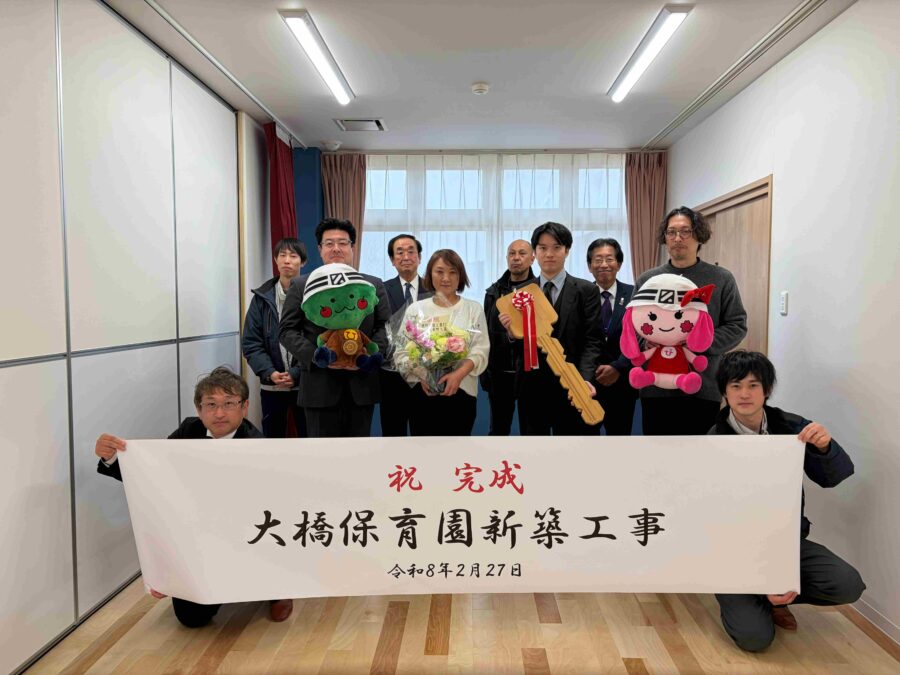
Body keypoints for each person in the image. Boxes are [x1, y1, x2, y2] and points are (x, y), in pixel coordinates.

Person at [94, 367, 294, 626]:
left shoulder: (259, 446)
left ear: (244, 407)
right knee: (191, 618)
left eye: (229, 403)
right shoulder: (188, 430)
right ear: (199, 409)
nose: (219, 413)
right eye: (210, 404)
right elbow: (152, 477)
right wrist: (111, 457)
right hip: (201, 537)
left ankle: (278, 589)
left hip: (247, 533)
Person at [709, 351, 865, 652]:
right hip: (733, 551)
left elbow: (834, 477)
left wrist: (825, 447)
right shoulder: (712, 439)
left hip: (785, 541)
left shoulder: (793, 427)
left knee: (847, 583)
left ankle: (776, 596)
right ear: (725, 391)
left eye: (753, 385)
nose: (744, 394)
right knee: (754, 638)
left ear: (767, 389)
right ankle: (748, 595)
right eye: (735, 386)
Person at [634, 206, 747, 435]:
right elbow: (632, 325)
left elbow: (737, 325)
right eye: (671, 232)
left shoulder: (721, 278)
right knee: (655, 452)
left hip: (702, 386)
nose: (677, 238)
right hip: (655, 387)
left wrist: (700, 341)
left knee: (700, 452)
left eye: (685, 231)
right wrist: (644, 342)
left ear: (699, 236)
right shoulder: (648, 280)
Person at [278, 218, 390, 437]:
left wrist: (367, 354)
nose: (336, 248)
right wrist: (318, 356)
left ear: (352, 247)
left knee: (359, 451)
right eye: (329, 243)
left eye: (343, 243)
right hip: (318, 387)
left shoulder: (372, 284)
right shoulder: (301, 284)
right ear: (320, 249)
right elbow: (286, 331)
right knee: (322, 453)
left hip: (362, 386)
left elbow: (385, 326)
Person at [499, 222, 603, 435]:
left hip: (572, 386)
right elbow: (515, 347)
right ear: (535, 253)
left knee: (571, 448)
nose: (549, 254)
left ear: (567, 250)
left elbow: (593, 340)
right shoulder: (519, 295)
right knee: (534, 450)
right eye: (543, 248)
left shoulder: (586, 290)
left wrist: (583, 379)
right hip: (531, 389)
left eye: (556, 247)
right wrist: (511, 334)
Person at [396, 249, 489, 436]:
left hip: (461, 392)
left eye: (453, 272)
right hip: (423, 392)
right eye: (439, 271)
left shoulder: (473, 309)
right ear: (430, 274)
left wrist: (458, 375)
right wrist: (423, 374)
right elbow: (401, 352)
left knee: (458, 450)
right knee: (422, 450)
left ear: (460, 276)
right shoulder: (416, 309)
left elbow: (480, 350)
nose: (446, 278)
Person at [242, 237, 308, 438]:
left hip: (305, 384)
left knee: (310, 440)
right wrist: (269, 372)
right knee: (272, 440)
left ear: (303, 262)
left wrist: (296, 373)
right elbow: (251, 343)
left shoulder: (313, 296)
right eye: (282, 255)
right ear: (275, 260)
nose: (287, 260)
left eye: (293, 256)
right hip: (272, 385)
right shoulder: (261, 299)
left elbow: (318, 341)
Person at [481, 239, 535, 435]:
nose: (516, 258)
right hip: (499, 373)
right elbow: (485, 334)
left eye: (522, 253)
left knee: (532, 431)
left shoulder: (539, 291)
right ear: (506, 258)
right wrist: (485, 371)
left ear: (532, 258)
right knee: (498, 430)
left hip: (530, 374)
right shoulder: (493, 292)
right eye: (512, 254)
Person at [381, 234, 430, 436]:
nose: (406, 256)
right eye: (399, 252)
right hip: (391, 375)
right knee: (393, 434)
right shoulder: (381, 290)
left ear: (419, 257)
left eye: (411, 251)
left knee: (425, 435)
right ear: (392, 260)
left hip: (426, 374)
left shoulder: (434, 289)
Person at [587, 238, 637, 435]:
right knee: (585, 442)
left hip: (622, 383)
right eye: (598, 260)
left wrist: (618, 366)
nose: (604, 265)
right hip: (588, 384)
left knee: (620, 441)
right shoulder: (582, 294)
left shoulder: (634, 294)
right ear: (590, 266)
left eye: (609, 259)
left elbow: (640, 337)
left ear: (619, 264)